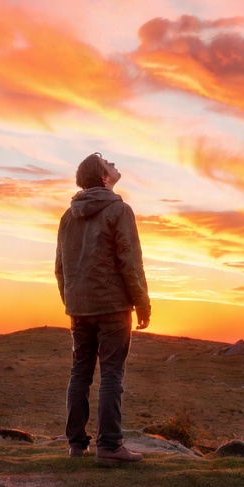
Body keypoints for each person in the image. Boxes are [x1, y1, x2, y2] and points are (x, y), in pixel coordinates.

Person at [55, 152, 151, 463]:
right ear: (103, 177)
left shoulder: (68, 217)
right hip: (112, 306)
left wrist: (72, 301)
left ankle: (76, 445)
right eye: (109, 163)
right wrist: (142, 304)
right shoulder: (119, 210)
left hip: (79, 309)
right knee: (112, 374)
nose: (115, 165)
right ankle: (110, 446)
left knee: (80, 372)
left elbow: (60, 268)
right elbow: (129, 261)